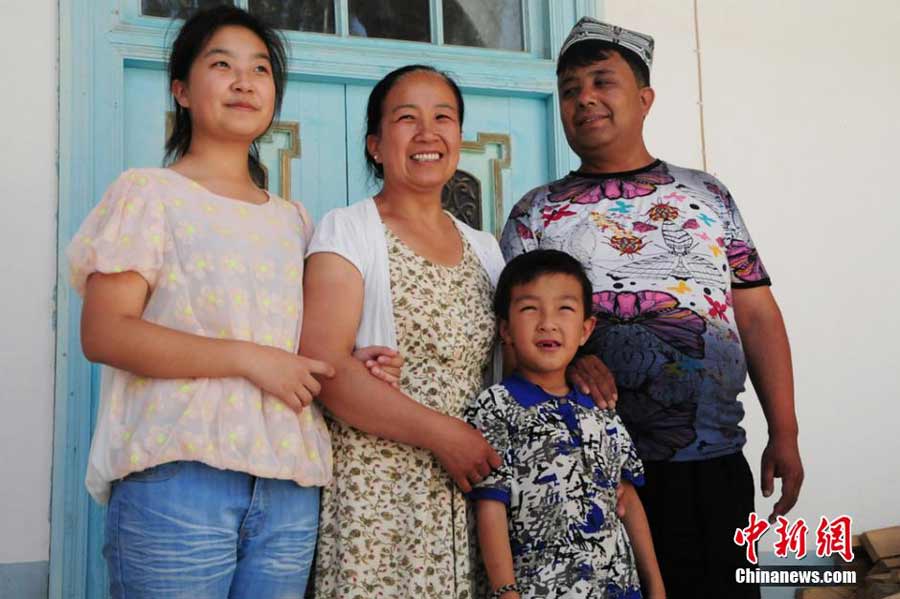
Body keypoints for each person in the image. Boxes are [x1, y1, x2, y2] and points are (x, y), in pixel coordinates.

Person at [66, 6, 397, 598]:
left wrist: (346, 364)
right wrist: (249, 359)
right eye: (222, 65)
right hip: (178, 477)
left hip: (289, 488)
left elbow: (288, 347)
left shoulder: (293, 220)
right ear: (181, 90)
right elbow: (106, 332)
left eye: (261, 69)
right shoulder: (148, 194)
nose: (245, 82)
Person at [500, 17, 803, 599]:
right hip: (587, 473)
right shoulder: (534, 213)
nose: (584, 98)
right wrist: (572, 360)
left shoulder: (707, 194)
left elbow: (757, 315)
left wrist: (784, 431)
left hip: (710, 462)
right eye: (569, 89)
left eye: (602, 81)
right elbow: (512, 335)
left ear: (644, 99)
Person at [300, 64, 505, 598]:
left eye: (443, 117)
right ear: (375, 145)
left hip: (469, 494)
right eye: (406, 118)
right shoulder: (348, 230)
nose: (427, 133)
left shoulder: (486, 249)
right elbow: (324, 364)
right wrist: (444, 435)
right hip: (379, 497)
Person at [467, 249, 666, 599]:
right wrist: (506, 591)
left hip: (618, 588)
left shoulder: (601, 407)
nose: (548, 323)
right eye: (530, 309)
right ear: (505, 329)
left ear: (586, 329)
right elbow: (490, 506)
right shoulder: (496, 407)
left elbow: (628, 499)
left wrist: (656, 585)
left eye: (565, 309)